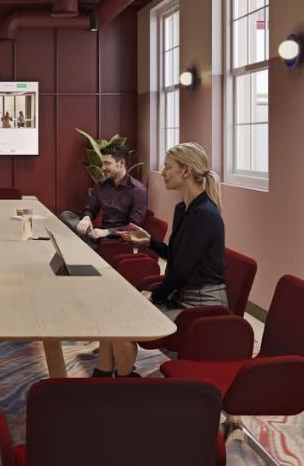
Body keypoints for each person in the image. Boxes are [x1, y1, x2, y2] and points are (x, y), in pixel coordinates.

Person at [92, 141, 227, 378]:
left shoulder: (204, 214)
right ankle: (103, 374)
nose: (163, 173)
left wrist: (154, 295)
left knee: (125, 324)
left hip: (201, 304)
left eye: (168, 167)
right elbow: (177, 256)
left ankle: (124, 387)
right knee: (114, 311)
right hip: (181, 295)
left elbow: (181, 271)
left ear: (185, 171)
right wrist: (149, 242)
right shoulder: (183, 209)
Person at [59, 144, 147, 249]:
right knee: (66, 215)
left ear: (121, 163)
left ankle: (87, 243)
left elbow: (134, 228)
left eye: (107, 163)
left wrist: (107, 232)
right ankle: (88, 241)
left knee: (77, 240)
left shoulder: (138, 190)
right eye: (102, 163)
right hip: (99, 233)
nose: (103, 168)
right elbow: (91, 209)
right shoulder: (101, 185)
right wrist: (87, 218)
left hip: (119, 238)